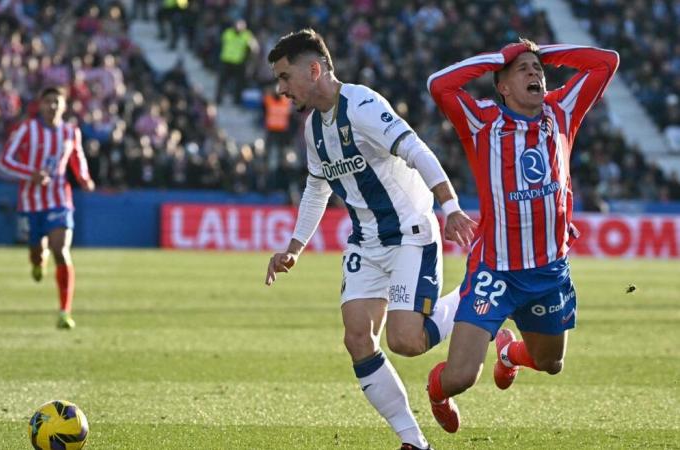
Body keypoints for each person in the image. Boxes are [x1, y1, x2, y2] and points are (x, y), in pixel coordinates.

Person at [264, 29, 477, 450]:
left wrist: (449, 206)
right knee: (357, 337)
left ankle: (473, 296)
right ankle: (413, 441)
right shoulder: (313, 129)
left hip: (411, 234)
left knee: (407, 341)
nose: (281, 89)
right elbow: (316, 187)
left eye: (285, 77)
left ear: (314, 69)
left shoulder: (362, 105)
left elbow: (416, 150)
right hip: (366, 241)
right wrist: (294, 247)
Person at [424, 39, 619, 432]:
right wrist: (501, 57)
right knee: (461, 377)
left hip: (549, 272)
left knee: (550, 363)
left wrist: (543, 52)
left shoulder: (562, 110)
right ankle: (436, 391)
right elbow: (439, 85)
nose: (535, 73)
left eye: (538, 69)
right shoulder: (481, 121)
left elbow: (605, 63)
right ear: (503, 87)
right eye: (523, 70)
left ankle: (510, 355)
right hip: (495, 272)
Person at [0, 86, 95, 329]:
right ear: (40, 105)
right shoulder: (26, 129)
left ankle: (65, 311)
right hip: (31, 202)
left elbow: (77, 159)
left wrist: (85, 179)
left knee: (60, 249)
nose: (52, 106)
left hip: (60, 199)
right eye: (48, 101)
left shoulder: (71, 132)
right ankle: (37, 262)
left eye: (57, 102)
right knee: (36, 250)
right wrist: (30, 174)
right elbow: (5, 161)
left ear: (64, 106)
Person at [215, 19, 259, 105]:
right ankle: (218, 99)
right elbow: (220, 43)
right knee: (222, 82)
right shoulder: (228, 32)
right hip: (226, 61)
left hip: (238, 62)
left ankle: (236, 101)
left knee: (239, 84)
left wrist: (250, 56)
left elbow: (255, 48)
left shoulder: (247, 35)